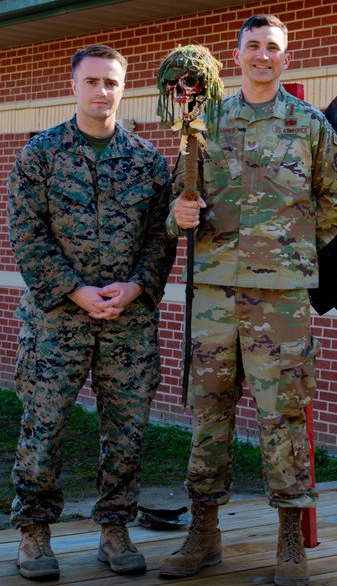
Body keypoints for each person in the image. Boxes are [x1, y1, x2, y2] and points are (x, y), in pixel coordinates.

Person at [159, 14, 337, 586]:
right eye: (252, 46)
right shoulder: (204, 121)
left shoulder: (310, 124)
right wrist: (180, 215)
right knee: (208, 414)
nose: (262, 55)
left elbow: (336, 199)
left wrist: (290, 249)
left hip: (280, 299)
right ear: (235, 56)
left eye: (273, 48)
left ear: (285, 59)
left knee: (284, 415)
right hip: (214, 290)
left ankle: (290, 543)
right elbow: (176, 199)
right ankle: (203, 534)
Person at [7, 44, 176, 579]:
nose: (103, 91)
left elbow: (159, 237)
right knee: (44, 427)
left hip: (128, 322)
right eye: (93, 81)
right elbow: (26, 235)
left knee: (126, 431)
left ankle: (115, 529)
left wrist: (136, 286)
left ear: (124, 88)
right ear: (74, 85)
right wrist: (75, 290)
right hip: (56, 322)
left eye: (112, 82)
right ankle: (34, 535)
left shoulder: (147, 161)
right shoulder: (40, 154)